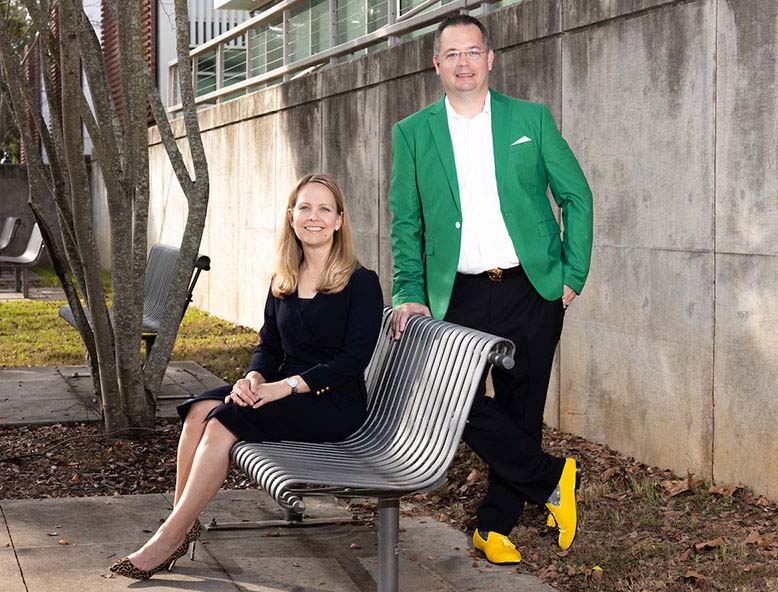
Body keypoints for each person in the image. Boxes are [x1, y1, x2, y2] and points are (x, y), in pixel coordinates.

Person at [388, 15, 593, 562]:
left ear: (490, 58)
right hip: (456, 294)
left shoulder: (531, 118)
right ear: (436, 64)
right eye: (451, 53)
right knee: (450, 403)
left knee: (523, 405)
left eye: (472, 51)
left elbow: (576, 195)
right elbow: (406, 222)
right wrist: (407, 291)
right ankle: (551, 478)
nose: (463, 62)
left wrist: (571, 277)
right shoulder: (411, 133)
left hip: (532, 288)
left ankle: (494, 525)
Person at [110, 173, 384, 579]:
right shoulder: (284, 279)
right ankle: (182, 522)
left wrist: (282, 388)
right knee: (199, 408)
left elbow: (353, 360)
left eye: (325, 209)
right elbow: (269, 346)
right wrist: (254, 378)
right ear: (291, 218)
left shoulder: (361, 282)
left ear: (340, 221)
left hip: (334, 400)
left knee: (224, 422)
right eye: (305, 208)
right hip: (282, 389)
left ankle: (169, 536)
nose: (314, 217)